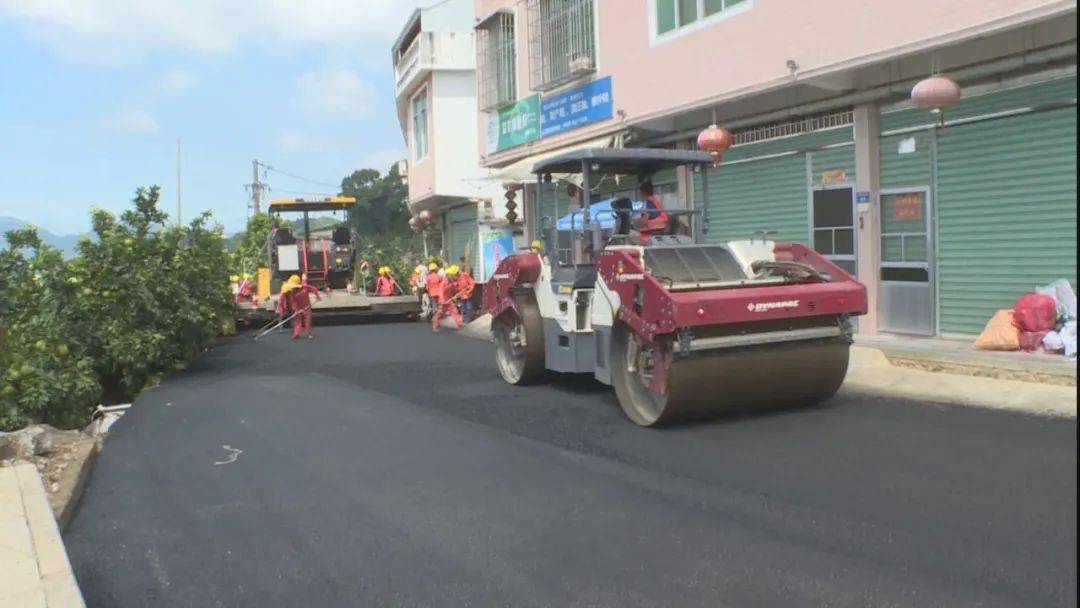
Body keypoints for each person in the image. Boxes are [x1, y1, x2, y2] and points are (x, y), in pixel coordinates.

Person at [279, 274, 322, 339]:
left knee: (307, 320)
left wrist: (317, 296)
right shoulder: (292, 292)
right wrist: (296, 310)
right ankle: (296, 333)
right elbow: (293, 302)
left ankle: (308, 333)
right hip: (298, 307)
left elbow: (314, 289)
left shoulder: (305, 287)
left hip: (307, 306)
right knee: (297, 320)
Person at [432, 265, 464, 332]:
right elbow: (441, 293)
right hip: (443, 301)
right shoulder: (443, 283)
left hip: (449, 300)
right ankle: (435, 326)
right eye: (454, 275)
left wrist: (457, 294)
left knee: (455, 311)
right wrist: (443, 301)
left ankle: (460, 324)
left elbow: (454, 290)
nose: (455, 277)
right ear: (449, 275)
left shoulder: (451, 282)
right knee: (440, 314)